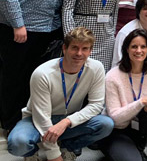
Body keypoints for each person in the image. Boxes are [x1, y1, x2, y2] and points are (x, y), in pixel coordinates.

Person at [6, 28, 113, 161]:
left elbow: (96, 105)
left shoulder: (96, 68)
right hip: (36, 118)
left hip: (68, 118)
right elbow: (42, 117)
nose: (79, 53)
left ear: (90, 51)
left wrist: (67, 121)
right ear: (64, 48)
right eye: (74, 47)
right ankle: (31, 153)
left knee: (105, 124)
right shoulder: (43, 73)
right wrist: (54, 156)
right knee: (18, 143)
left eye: (85, 48)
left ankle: (67, 147)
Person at [0, 0, 67, 130]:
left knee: (36, 78)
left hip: (49, 30)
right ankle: (9, 121)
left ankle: (28, 120)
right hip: (22, 30)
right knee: (15, 76)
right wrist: (18, 24)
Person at [100, 28, 147, 161]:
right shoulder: (112, 76)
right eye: (134, 47)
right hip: (117, 131)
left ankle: (138, 148)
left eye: (143, 46)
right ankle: (134, 153)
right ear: (126, 49)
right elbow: (115, 118)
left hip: (140, 131)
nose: (139, 51)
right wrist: (141, 102)